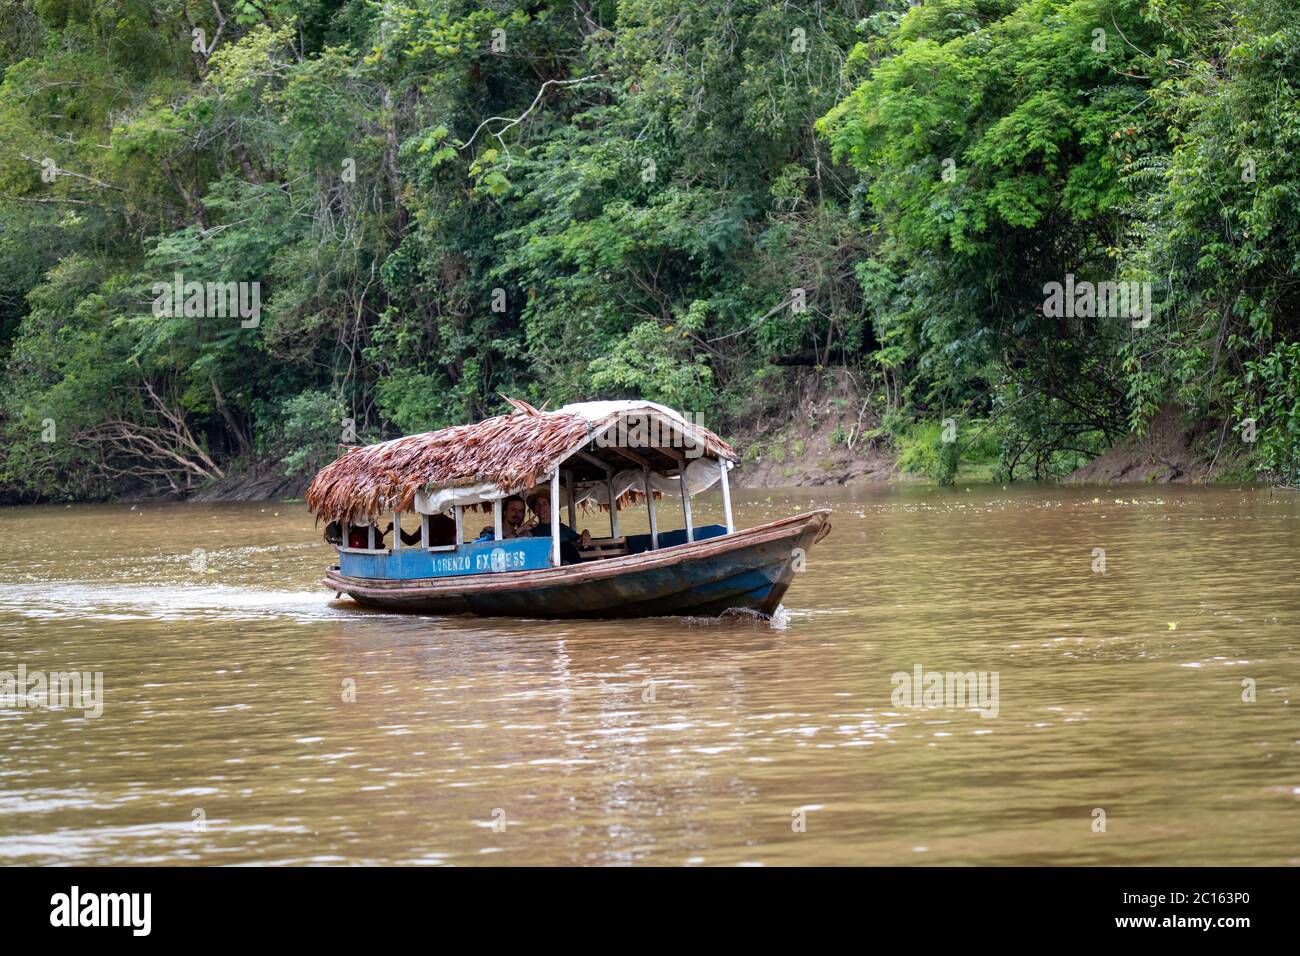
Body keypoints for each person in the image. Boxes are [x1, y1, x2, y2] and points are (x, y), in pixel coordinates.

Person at [527, 489, 591, 564]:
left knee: (566, 546)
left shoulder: (561, 528)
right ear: (534, 509)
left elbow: (580, 538)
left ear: (551, 507)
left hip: (563, 565)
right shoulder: (532, 530)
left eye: (545, 504)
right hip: (543, 565)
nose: (541, 507)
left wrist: (585, 532)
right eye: (537, 504)